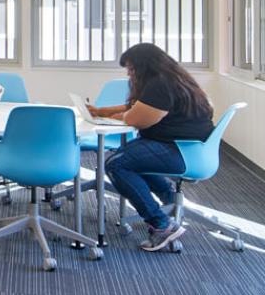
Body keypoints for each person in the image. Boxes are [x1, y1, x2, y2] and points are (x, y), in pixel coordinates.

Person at [89, 42, 216, 252]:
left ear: (143, 66)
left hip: (179, 151)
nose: (130, 75)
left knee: (116, 164)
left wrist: (120, 116)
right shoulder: (175, 79)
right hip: (193, 149)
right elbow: (136, 107)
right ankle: (169, 199)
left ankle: (161, 224)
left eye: (131, 69)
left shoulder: (160, 85)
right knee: (132, 158)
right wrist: (102, 111)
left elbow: (137, 118)